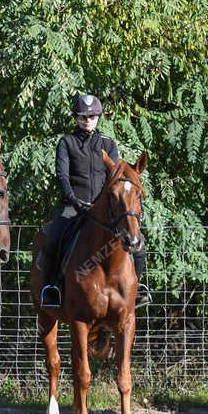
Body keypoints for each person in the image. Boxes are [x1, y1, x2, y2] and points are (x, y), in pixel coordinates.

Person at [38, 94, 150, 307]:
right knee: (53, 238)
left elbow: (116, 179)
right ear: (76, 118)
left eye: (92, 116)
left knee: (137, 241)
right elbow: (62, 176)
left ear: (98, 117)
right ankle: (50, 288)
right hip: (72, 206)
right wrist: (73, 199)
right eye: (82, 117)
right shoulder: (66, 143)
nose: (87, 120)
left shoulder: (108, 144)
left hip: (102, 209)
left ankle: (137, 288)